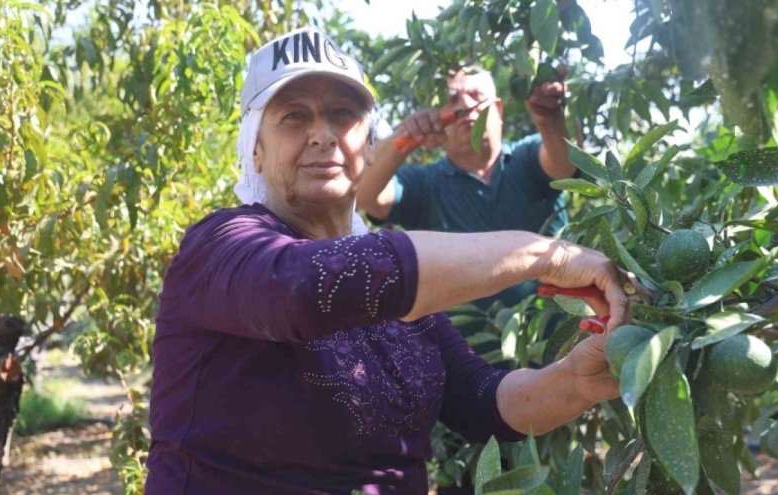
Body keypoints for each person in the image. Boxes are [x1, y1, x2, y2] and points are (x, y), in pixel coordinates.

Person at [146, 26, 638, 495]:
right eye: (293, 116)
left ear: (366, 143)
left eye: (343, 115)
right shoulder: (221, 245)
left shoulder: (408, 302)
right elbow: (299, 288)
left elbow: (482, 400)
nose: (322, 134)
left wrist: (577, 380)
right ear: (255, 150)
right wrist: (545, 256)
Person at [356, 66, 576, 309]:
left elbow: (563, 164)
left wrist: (550, 121)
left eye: (476, 95)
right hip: (465, 344)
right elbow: (366, 196)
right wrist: (406, 136)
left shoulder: (527, 157)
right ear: (441, 118)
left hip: (557, 335)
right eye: (452, 100)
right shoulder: (425, 184)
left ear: (498, 109)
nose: (464, 106)